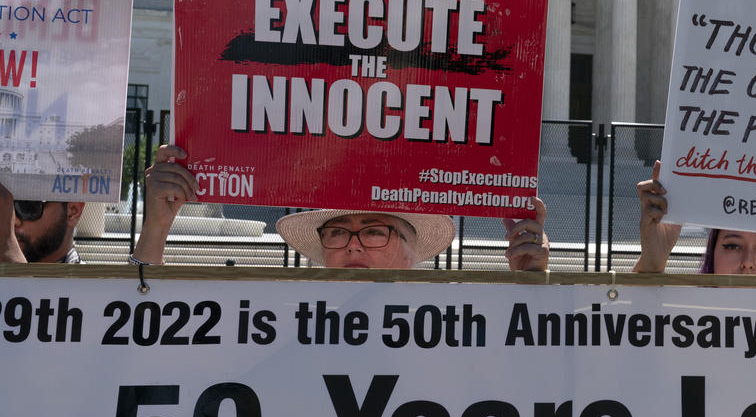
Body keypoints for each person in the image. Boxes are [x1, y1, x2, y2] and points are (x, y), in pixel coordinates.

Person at [132, 144, 549, 271]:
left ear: (408, 250)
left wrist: (532, 286)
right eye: (337, 230)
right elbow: (148, 329)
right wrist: (157, 227)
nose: (353, 246)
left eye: (373, 230)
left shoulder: (446, 329)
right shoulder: (273, 323)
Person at [0, 185, 84, 263]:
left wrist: (11, 258)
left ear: (73, 212)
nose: (13, 220)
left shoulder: (88, 278)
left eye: (28, 206)